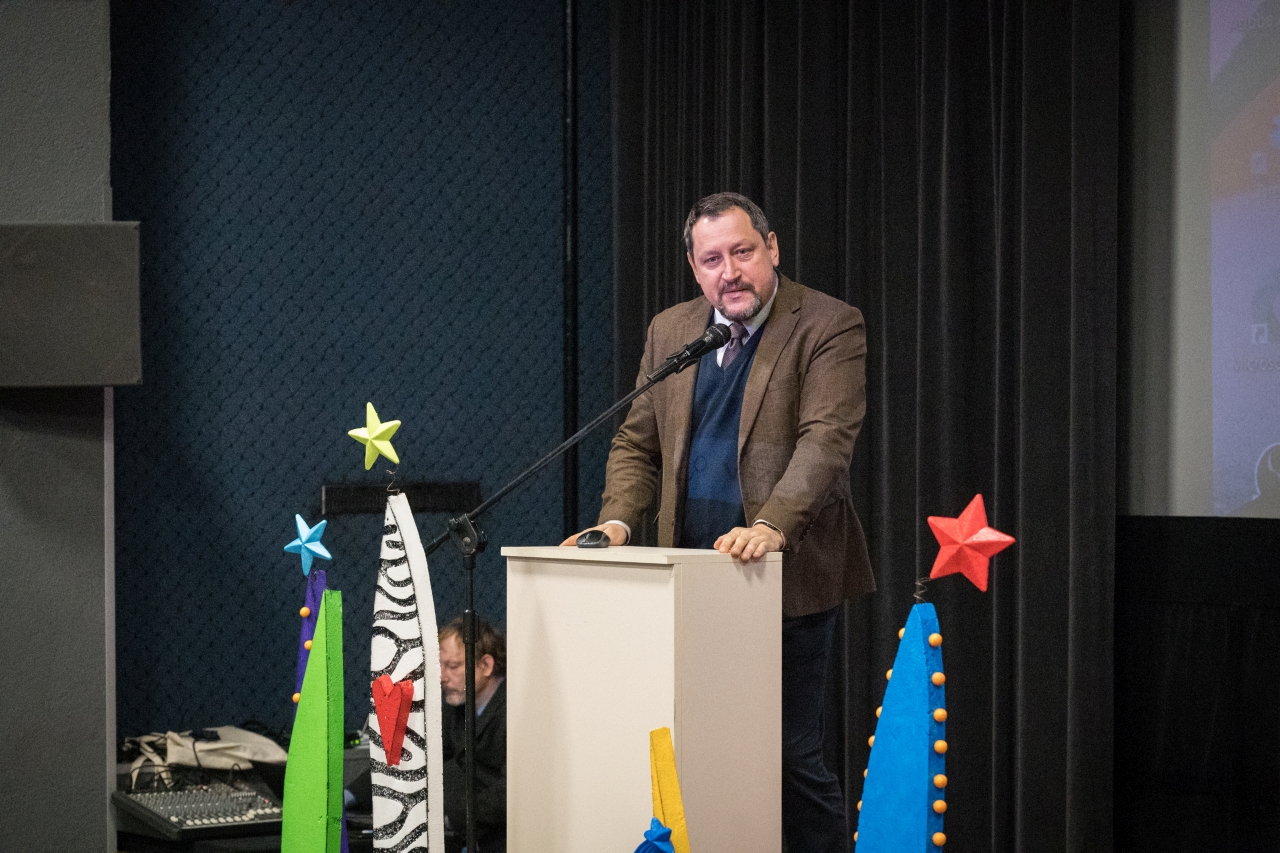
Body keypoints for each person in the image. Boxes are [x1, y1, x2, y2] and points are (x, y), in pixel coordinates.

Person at [563, 192, 875, 853]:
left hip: (780, 578)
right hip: (686, 579)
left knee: (787, 755)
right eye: (712, 260)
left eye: (742, 252)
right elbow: (637, 441)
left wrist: (773, 526)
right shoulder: (672, 329)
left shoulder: (828, 324)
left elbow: (825, 442)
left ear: (772, 248)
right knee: (695, 747)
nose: (729, 272)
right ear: (693, 266)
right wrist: (617, 522)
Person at [438, 615, 506, 853]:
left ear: (486, 665)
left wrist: (450, 817)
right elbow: (425, 758)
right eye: (440, 665)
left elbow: (509, 792)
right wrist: (350, 794)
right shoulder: (456, 704)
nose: (442, 677)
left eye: (453, 666)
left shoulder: (513, 711)